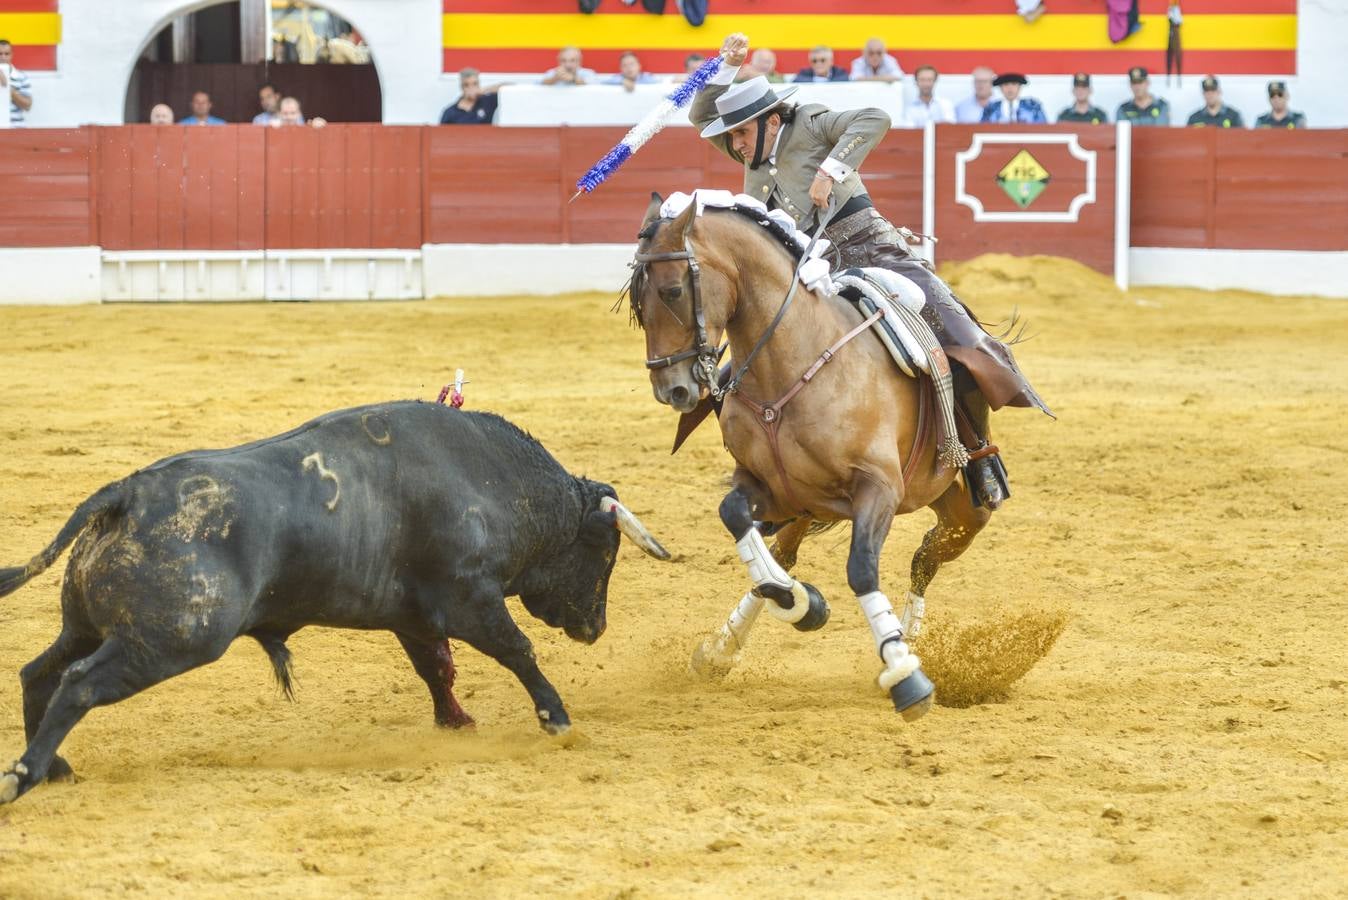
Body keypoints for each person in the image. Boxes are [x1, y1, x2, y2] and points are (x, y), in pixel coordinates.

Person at [689, 32, 1051, 508]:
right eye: (731, 136)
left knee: (952, 330)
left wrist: (830, 170)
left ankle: (980, 455)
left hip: (869, 248)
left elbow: (874, 117)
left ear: (772, 121)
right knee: (742, 363)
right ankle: (767, 465)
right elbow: (701, 115)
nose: (734, 146)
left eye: (740, 134)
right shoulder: (749, 145)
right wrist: (724, 67)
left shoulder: (811, 122)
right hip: (804, 268)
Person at [980, 73, 1047, 123]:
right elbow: (982, 129)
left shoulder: (1032, 107)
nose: (1010, 88)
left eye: (1014, 84)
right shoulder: (991, 109)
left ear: (1019, 87)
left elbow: (1042, 129)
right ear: (1000, 87)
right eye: (1006, 84)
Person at [0, 39, 33, 126]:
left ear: (11, 55)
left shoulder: (21, 77)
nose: (3, 57)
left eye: (6, 54)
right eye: (0, 54)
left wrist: (9, 90)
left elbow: (27, 106)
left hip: (16, 128)